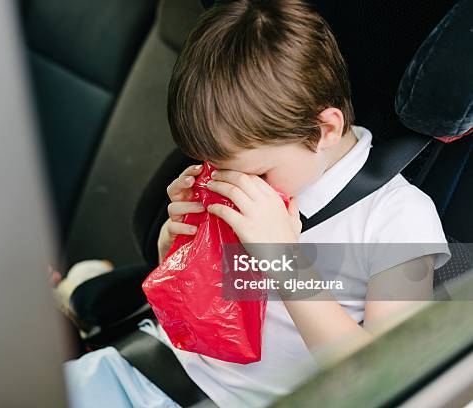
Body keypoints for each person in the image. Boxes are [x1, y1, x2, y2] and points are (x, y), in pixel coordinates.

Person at [62, 0, 451, 407]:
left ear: (325, 130)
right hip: (142, 368)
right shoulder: (261, 159)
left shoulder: (398, 220)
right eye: (215, 167)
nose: (233, 183)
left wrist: (283, 259)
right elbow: (207, 306)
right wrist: (176, 250)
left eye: (258, 173)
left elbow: (389, 376)